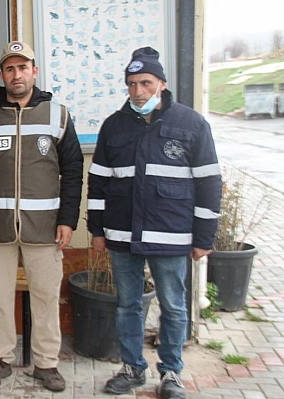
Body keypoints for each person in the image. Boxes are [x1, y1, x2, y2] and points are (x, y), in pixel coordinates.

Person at [87, 47, 222, 399]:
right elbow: (98, 181)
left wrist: (204, 236)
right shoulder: (113, 126)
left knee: (173, 307)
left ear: (161, 83)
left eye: (145, 82)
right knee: (127, 305)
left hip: (172, 236)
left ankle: (171, 374)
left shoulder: (191, 124)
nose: (138, 91)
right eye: (131, 84)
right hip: (122, 235)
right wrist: (96, 230)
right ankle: (132, 368)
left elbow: (209, 182)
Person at [0, 41, 84, 392]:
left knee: (45, 297)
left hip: (44, 228)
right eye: (10, 69)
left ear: (34, 71)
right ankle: (0, 360)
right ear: (2, 75)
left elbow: (73, 170)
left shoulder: (57, 115)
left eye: (23, 67)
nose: (17, 74)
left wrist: (68, 218)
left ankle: (46, 364)